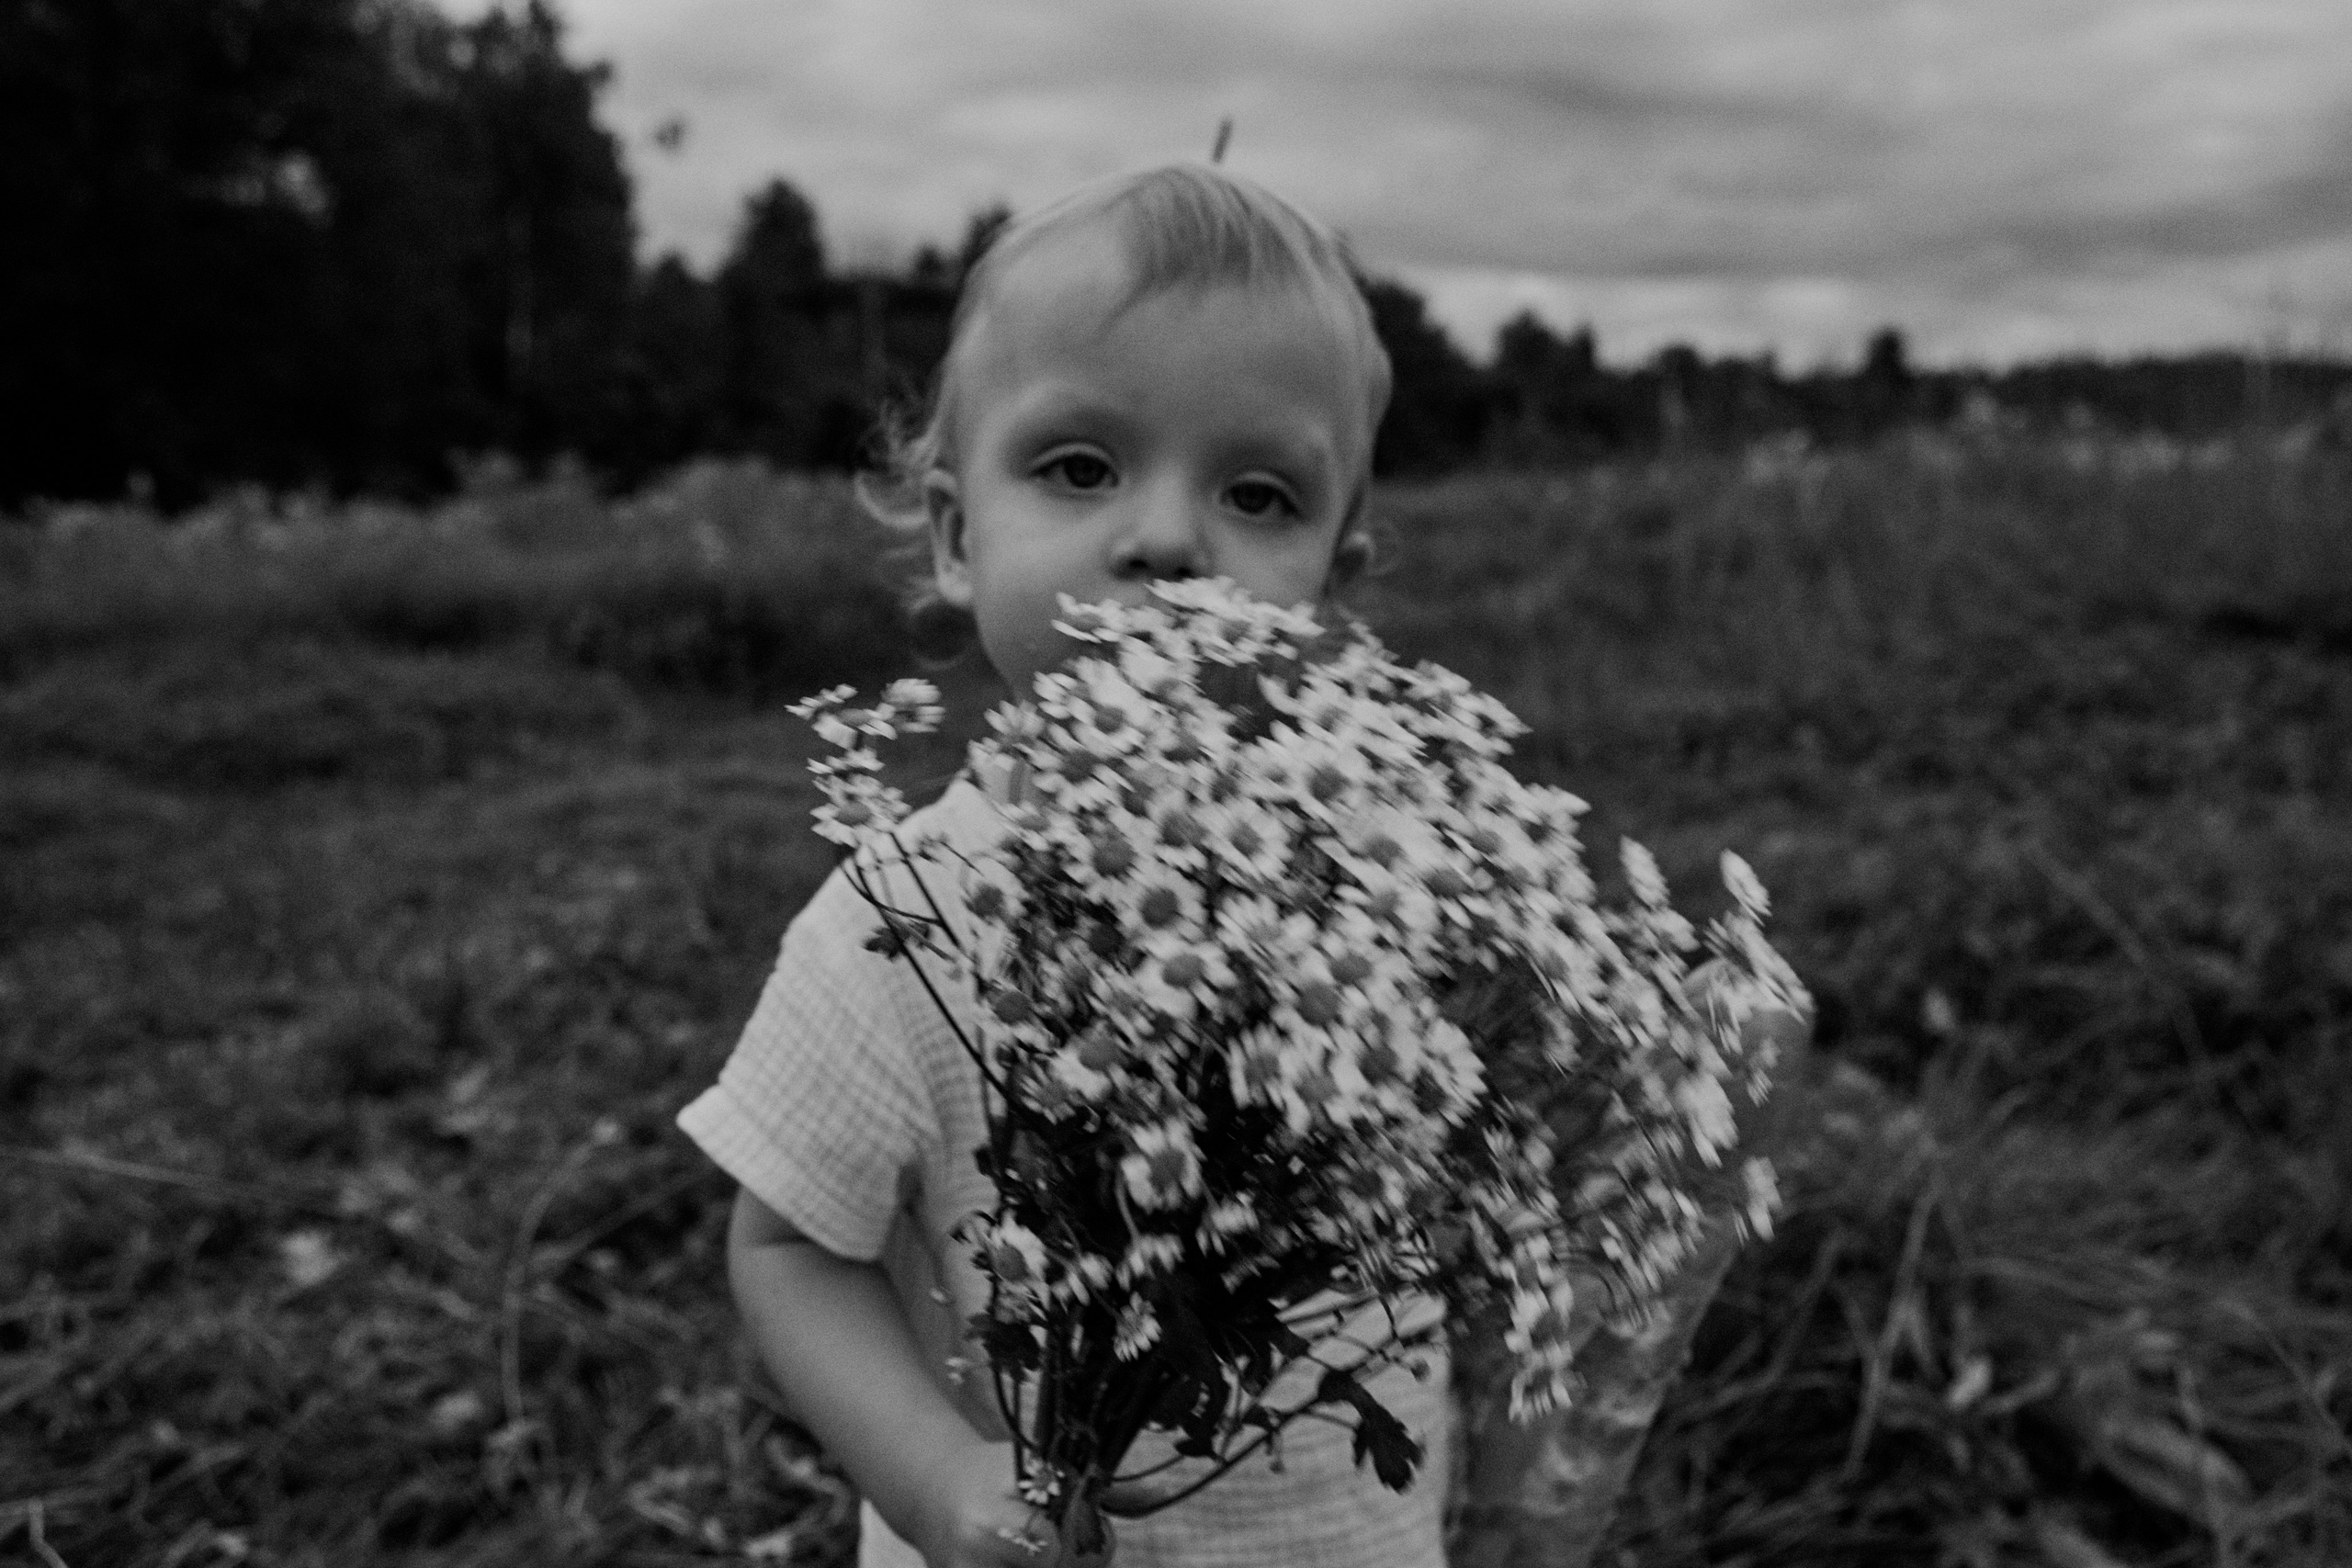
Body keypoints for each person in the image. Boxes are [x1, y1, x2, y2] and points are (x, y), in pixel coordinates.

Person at [678, 162, 1442, 1568]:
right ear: (962, 536)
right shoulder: (896, 921)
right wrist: (934, 1481)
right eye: (1080, 469)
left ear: (1332, 588)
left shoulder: (1377, 893)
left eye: (1258, 494)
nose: (1164, 539)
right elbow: (788, 1252)